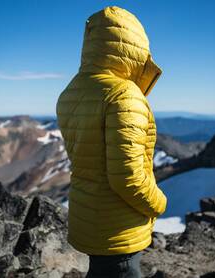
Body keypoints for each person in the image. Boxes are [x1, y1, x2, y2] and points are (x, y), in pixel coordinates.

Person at [56, 6, 167, 278]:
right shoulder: (123, 95)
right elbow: (127, 178)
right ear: (133, 46)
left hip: (90, 216)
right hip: (118, 225)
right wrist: (159, 203)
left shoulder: (71, 92)